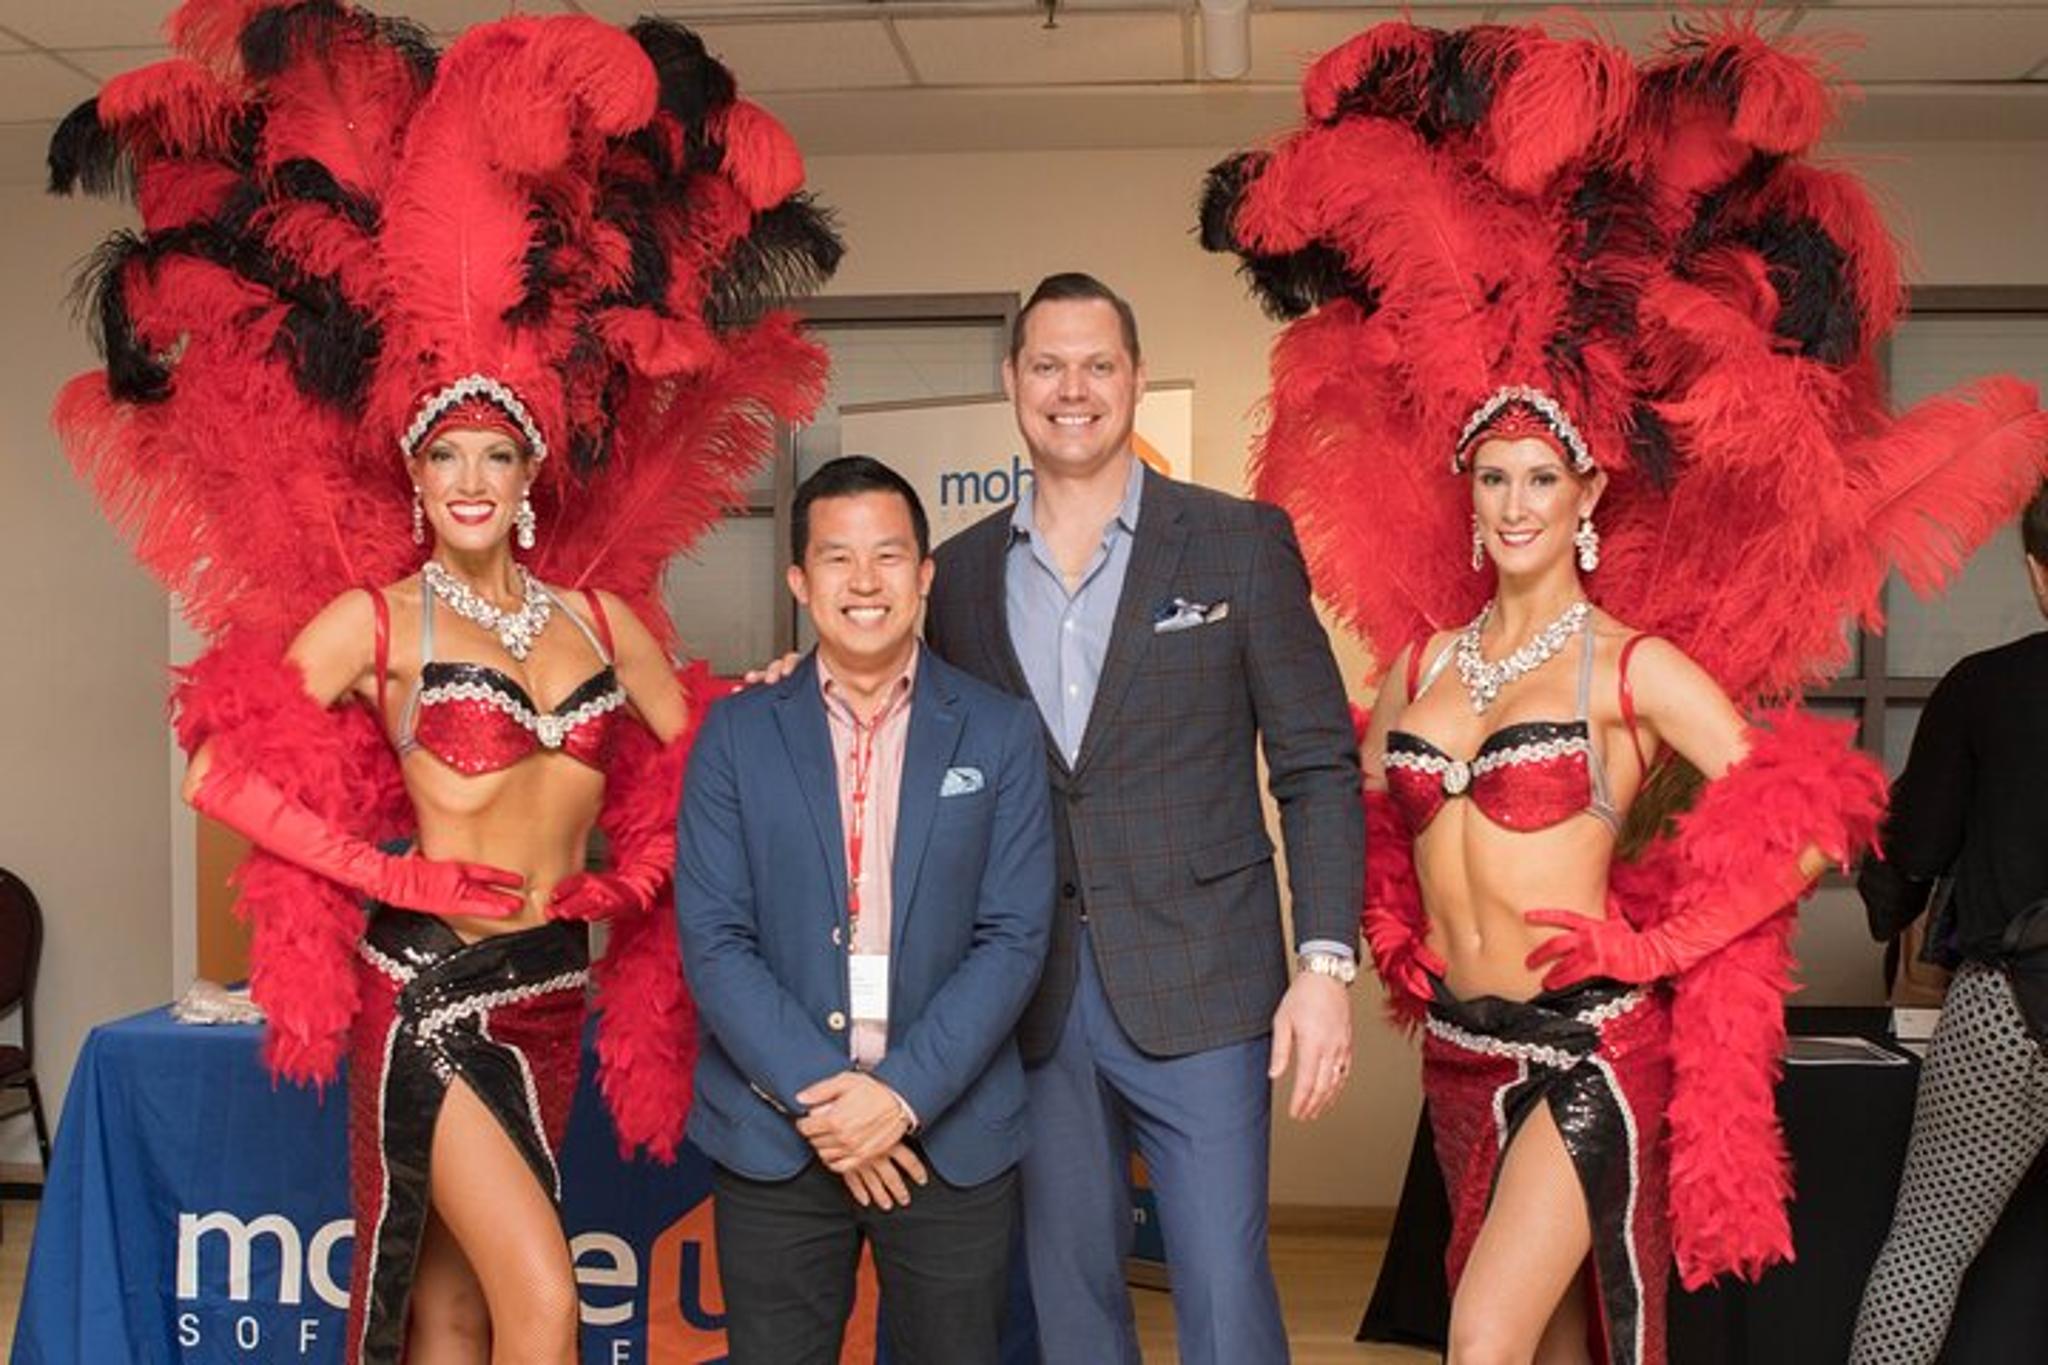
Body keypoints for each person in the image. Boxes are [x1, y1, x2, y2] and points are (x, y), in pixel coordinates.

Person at [1201, 13, 2047, 1364]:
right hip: (1459, 1059)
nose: (1518, 500)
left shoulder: (1630, 665)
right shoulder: (1423, 663)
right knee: (1553, 1346)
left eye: (1545, 476)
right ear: (1468, 500)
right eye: (1495, 478)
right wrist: (1386, 925)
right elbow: (1362, 812)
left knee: (1480, 1336)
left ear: (1587, 496)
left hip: (1586, 1047)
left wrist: (1655, 949)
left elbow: (1813, 814)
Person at [47, 8, 839, 1363]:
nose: (471, 481)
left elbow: (711, 768)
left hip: (554, 991)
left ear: (531, 475)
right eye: (446, 457)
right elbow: (217, 765)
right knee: (544, 1302)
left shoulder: (602, 621)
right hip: (426, 991)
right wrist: (390, 875)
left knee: (453, 1305)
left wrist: (642, 872)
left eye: (496, 456)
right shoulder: (378, 622)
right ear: (414, 474)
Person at [924, 272, 1365, 1365]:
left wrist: (1322, 965)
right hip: (1030, 994)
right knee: (1069, 1302)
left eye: (1096, 365)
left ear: (1131, 378)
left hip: (1206, 983)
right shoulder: (959, 573)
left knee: (1219, 1289)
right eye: (1045, 365)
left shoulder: (1234, 543)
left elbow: (1315, 764)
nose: (1071, 389)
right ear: (1010, 383)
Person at [675, 456, 1054, 1365]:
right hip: (778, 1134)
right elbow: (715, 942)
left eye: (888, 556)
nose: (865, 582)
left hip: (948, 1133)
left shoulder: (1000, 731)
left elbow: (1013, 938)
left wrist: (900, 1097)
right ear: (801, 581)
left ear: (925, 574)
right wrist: (833, 1105)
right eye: (838, 559)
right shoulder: (735, 734)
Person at [1850, 481, 2048, 1365]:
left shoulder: (1983, 687)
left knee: (1926, 1248)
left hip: (2008, 1014)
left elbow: (1913, 847)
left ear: (2039, 572)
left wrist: (1886, 906)